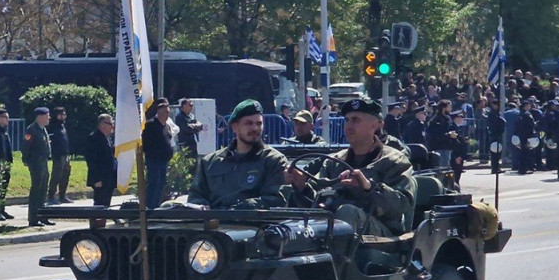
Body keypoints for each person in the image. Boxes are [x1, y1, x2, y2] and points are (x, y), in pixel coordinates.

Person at [284, 98, 415, 237]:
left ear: (374, 125)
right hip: (336, 231)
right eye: (347, 120)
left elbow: (402, 205)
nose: (349, 126)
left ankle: (334, 257)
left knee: (347, 213)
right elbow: (317, 202)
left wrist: (368, 187)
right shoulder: (334, 161)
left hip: (381, 237)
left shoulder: (394, 160)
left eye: (356, 120)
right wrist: (302, 187)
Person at [188, 99, 288, 209]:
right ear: (235, 127)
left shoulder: (273, 160)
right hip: (214, 223)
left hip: (254, 224)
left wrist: (239, 208)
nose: (255, 128)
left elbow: (276, 200)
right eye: (248, 123)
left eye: (259, 123)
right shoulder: (210, 162)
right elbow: (196, 197)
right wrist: (205, 209)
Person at [23, 107, 54, 226]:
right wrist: (26, 159)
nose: (49, 118)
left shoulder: (43, 129)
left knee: (43, 190)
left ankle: (43, 216)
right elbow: (26, 146)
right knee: (36, 190)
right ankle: (33, 218)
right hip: (36, 163)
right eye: (47, 116)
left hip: (44, 162)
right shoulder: (32, 130)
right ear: (40, 117)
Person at [142, 98, 174, 209]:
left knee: (160, 184)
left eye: (168, 112)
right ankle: (149, 207)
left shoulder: (166, 126)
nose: (167, 114)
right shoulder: (151, 125)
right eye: (165, 112)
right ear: (159, 112)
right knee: (153, 184)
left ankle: (156, 206)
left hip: (164, 161)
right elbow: (146, 143)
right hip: (154, 160)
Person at [85, 114, 117, 206]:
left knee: (106, 204)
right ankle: (96, 220)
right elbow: (91, 160)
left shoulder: (106, 138)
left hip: (108, 177)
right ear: (102, 124)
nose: (113, 126)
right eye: (111, 124)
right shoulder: (94, 138)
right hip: (100, 179)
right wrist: (96, 179)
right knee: (99, 205)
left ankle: (102, 220)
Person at [46, 107, 72, 205]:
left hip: (65, 154)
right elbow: (51, 141)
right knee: (56, 175)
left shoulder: (62, 126)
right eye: (62, 114)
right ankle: (51, 196)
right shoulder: (52, 126)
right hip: (58, 155)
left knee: (65, 175)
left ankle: (62, 196)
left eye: (64, 114)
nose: (64, 116)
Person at [426, 100, 457, 167]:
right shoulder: (436, 120)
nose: (450, 109)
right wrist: (448, 135)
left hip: (447, 146)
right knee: (441, 167)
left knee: (446, 166)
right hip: (439, 147)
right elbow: (437, 135)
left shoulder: (447, 118)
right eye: (449, 107)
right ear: (443, 108)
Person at [450, 110, 469, 188]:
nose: (462, 119)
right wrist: (456, 157)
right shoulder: (453, 128)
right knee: (455, 176)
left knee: (458, 175)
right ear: (456, 118)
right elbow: (453, 144)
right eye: (461, 117)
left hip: (460, 155)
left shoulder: (458, 128)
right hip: (456, 156)